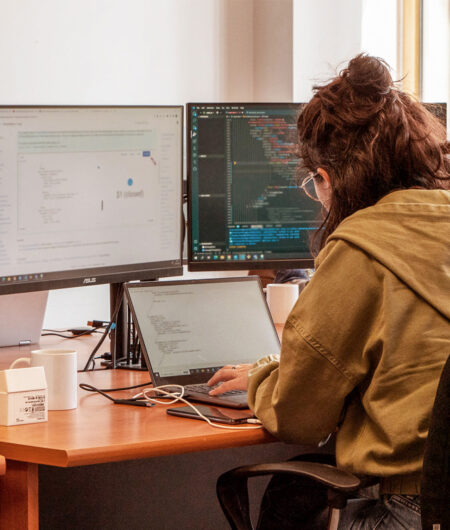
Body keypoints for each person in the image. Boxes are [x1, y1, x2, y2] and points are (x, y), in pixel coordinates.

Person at [208, 53, 450, 529]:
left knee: (294, 498)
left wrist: (260, 378)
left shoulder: (362, 248)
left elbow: (298, 416)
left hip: (413, 512)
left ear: (328, 177)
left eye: (314, 183)